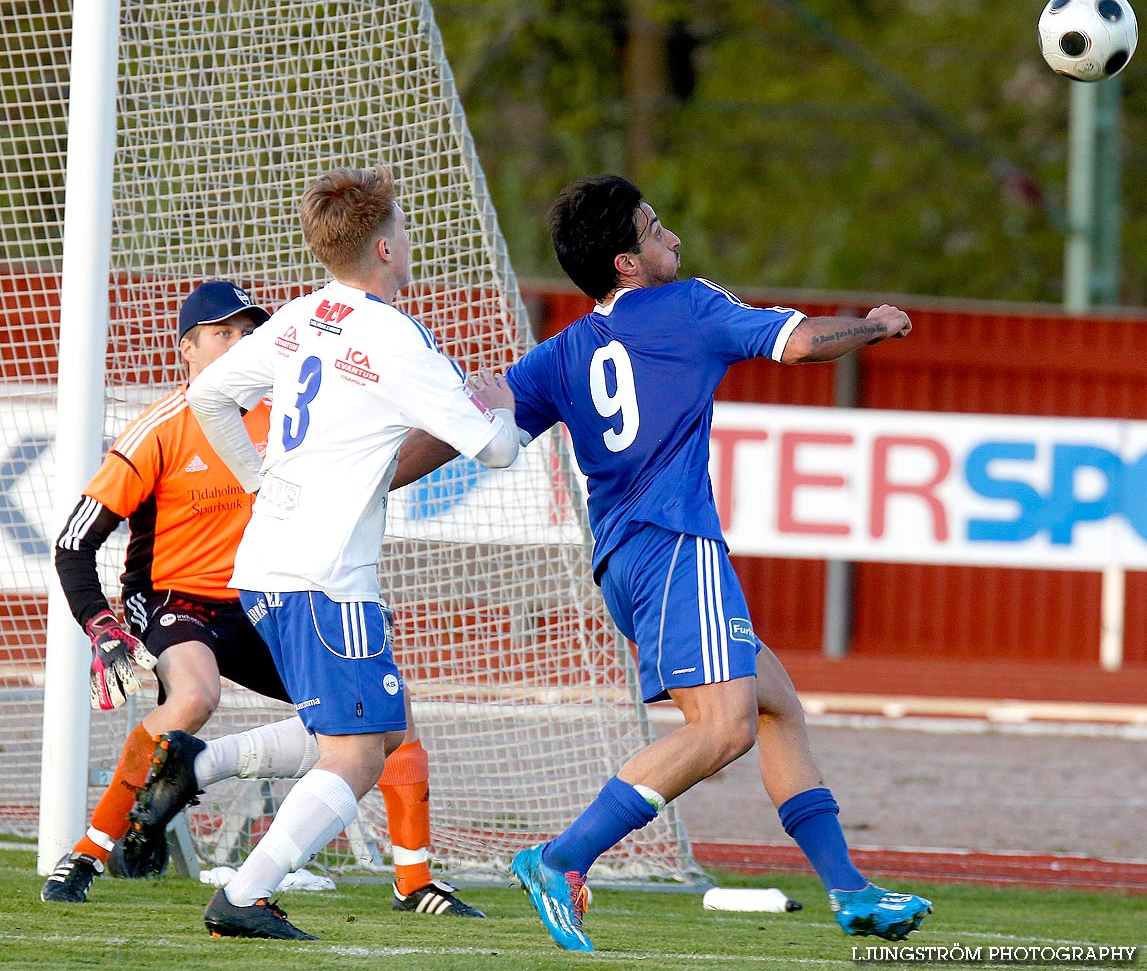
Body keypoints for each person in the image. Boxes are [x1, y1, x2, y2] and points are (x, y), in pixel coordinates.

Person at [501, 176, 933, 951]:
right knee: (723, 728)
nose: (671, 237)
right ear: (626, 263)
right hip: (674, 544)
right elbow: (798, 343)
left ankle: (850, 891)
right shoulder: (687, 304)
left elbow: (487, 426)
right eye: (655, 227)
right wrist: (874, 325)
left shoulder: (557, 354)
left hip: (621, 564)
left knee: (775, 708)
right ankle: (560, 857)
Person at [44, 282, 484, 922]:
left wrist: (461, 428)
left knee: (392, 722)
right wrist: (103, 627)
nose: (239, 343)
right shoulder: (161, 427)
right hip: (175, 600)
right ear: (186, 351)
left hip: (266, 596)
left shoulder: (290, 416)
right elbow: (72, 543)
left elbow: (379, 468)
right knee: (194, 696)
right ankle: (88, 851)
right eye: (221, 333)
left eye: (249, 331)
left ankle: (413, 881)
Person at [186, 164, 519, 940]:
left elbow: (209, 394)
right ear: (382, 246)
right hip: (328, 576)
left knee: (369, 732)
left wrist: (257, 478)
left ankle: (195, 776)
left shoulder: (301, 316)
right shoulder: (395, 337)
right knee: (359, 752)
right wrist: (495, 402)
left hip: (270, 561)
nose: (409, 238)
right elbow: (495, 450)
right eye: (401, 227)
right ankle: (243, 893)